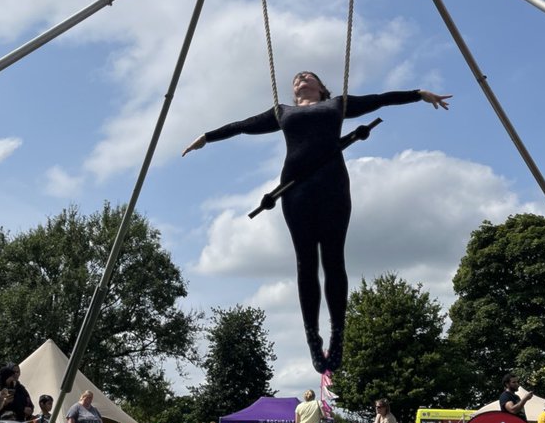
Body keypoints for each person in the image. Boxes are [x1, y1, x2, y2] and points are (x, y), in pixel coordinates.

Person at [184, 72, 450, 371]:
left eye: (309, 76)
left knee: (334, 259)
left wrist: (419, 93)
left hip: (333, 184)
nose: (301, 78)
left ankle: (338, 334)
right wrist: (207, 137)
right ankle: (312, 336)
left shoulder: (337, 104)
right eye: (297, 77)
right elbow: (242, 127)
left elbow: (380, 100)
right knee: (305, 262)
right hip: (295, 189)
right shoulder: (282, 112)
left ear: (322, 88)